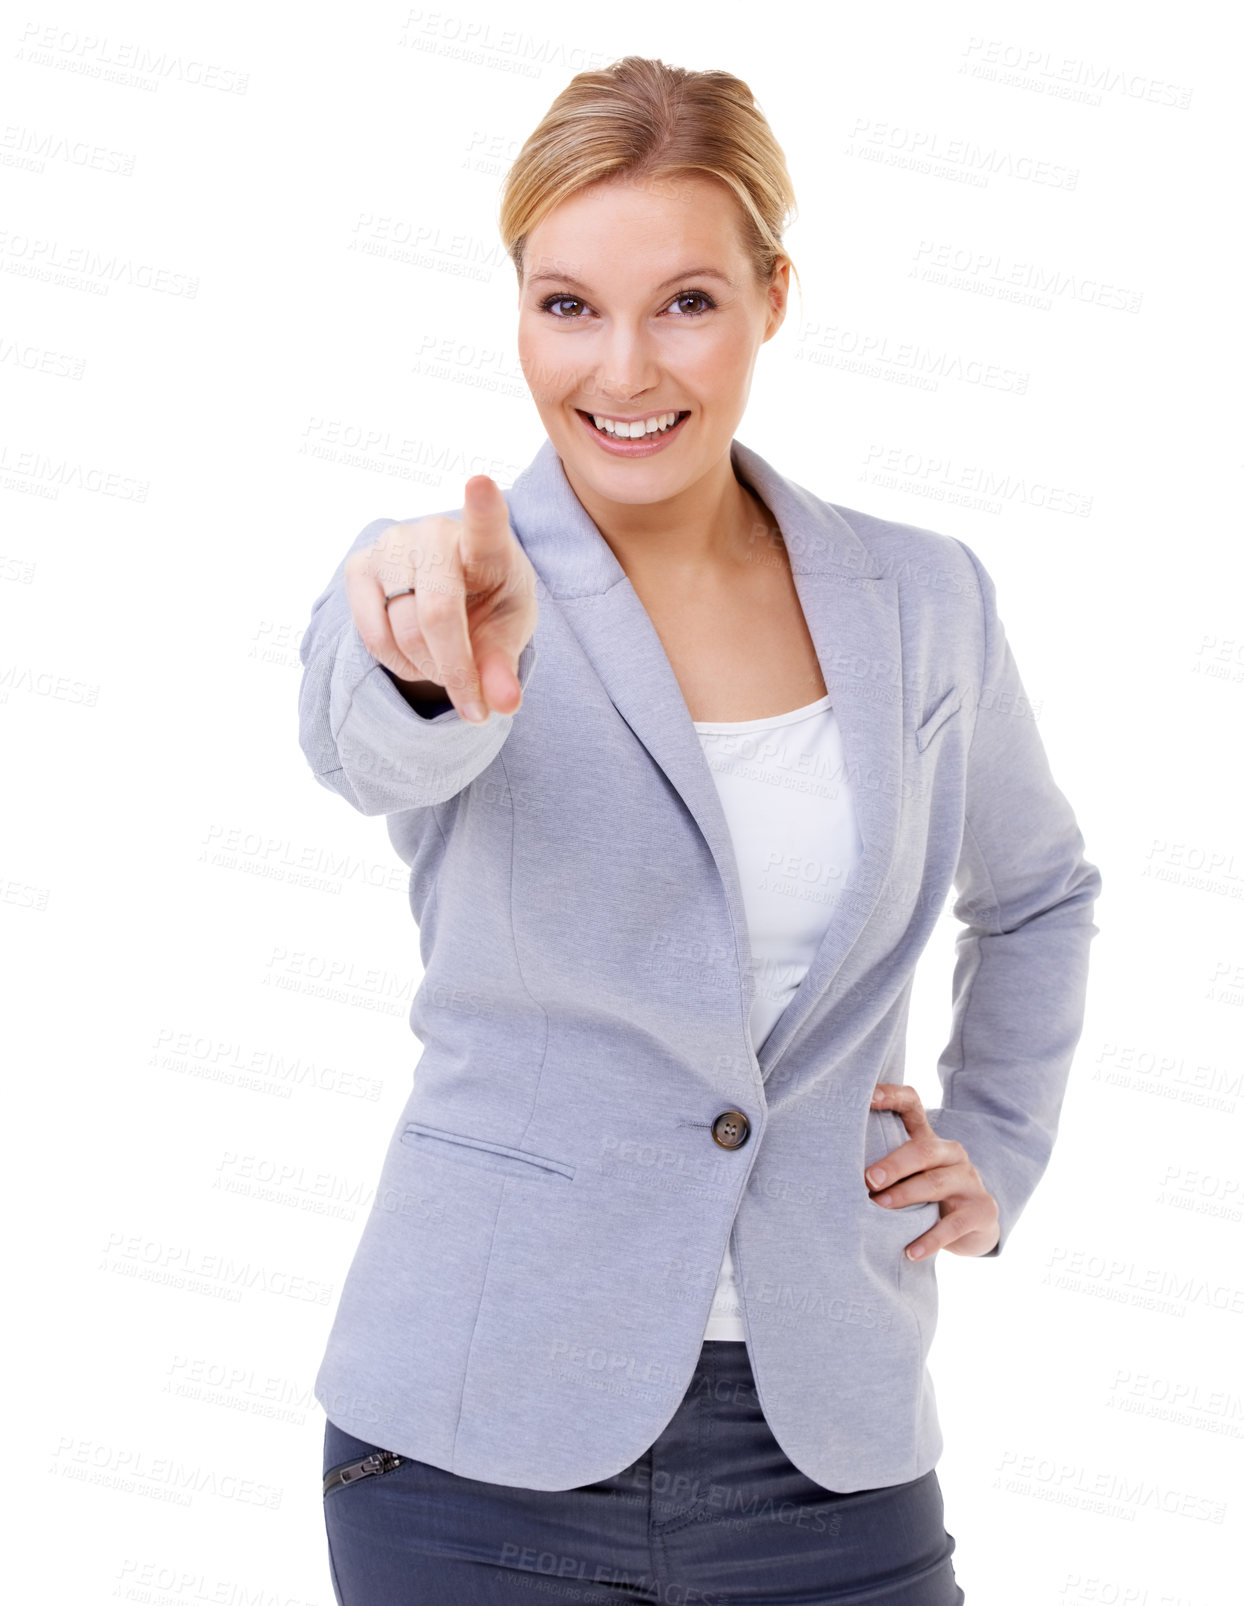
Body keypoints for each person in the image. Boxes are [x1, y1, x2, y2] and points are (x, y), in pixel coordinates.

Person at [298, 55, 1101, 1606]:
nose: (621, 369)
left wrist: (997, 1146)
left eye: (684, 302)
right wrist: (433, 661)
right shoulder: (440, 580)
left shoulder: (924, 599)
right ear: (519, 308)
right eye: (567, 306)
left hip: (831, 1447)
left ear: (772, 298)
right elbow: (363, 746)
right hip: (476, 1443)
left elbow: (1043, 890)